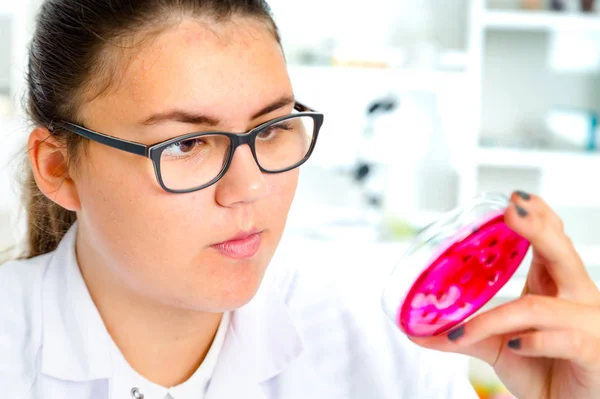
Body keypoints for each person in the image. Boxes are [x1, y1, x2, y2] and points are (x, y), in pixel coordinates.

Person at [1, 1, 599, 398]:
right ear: (58, 169)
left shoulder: (385, 352)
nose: (250, 188)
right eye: (186, 144)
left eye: (270, 129)